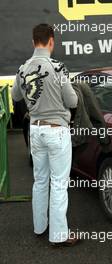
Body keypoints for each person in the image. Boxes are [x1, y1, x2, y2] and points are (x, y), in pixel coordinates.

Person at [11, 23, 79, 246]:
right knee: (59, 183)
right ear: (52, 41)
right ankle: (59, 235)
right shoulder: (58, 68)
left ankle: (40, 227)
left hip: (35, 130)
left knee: (40, 181)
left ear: (33, 42)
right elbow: (72, 101)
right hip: (56, 130)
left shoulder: (22, 69)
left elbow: (16, 96)